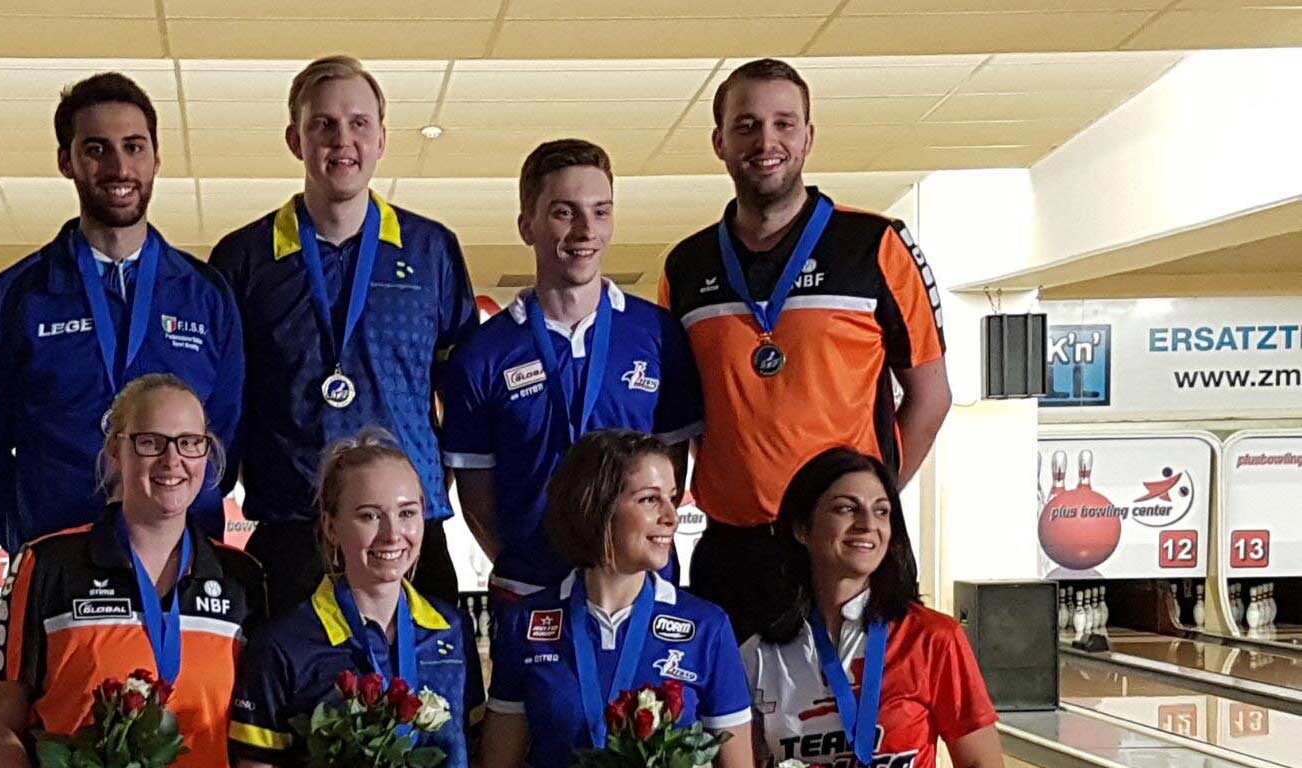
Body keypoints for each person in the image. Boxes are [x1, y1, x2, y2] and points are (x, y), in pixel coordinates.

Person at [656, 58, 951, 639]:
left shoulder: (874, 245)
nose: (766, 141)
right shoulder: (687, 265)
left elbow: (930, 396)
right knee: (730, 727)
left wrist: (870, 501)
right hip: (733, 545)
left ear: (809, 137)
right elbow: (679, 419)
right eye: (746, 125)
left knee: (865, 722)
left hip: (845, 548)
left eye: (784, 124)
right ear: (719, 141)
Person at [208, 56, 477, 613]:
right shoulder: (245, 257)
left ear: (381, 137)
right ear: (294, 139)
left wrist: (431, 484)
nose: (342, 140)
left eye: (358, 123)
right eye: (323, 124)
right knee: (290, 698)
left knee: (429, 698)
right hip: (292, 526)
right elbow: (224, 405)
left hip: (407, 531)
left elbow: (463, 391)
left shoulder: (431, 251)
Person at [0, 373, 265, 768]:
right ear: (116, 451)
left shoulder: (242, 580)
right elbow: (0, 726)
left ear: (208, 454)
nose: (172, 461)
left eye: (190, 443)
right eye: (150, 442)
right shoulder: (46, 566)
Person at [0, 72, 243, 555]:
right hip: (59, 557)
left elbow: (225, 443)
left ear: (156, 158)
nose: (119, 167)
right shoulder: (14, 299)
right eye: (96, 149)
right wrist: (34, 538)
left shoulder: (206, 296)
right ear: (67, 161)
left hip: (182, 564)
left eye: (134, 147)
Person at [474, 430, 756, 768]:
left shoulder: (706, 626)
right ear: (597, 505)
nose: (671, 516)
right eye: (650, 500)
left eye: (671, 498)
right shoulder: (526, 622)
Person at [441, 139, 702, 603]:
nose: (586, 230)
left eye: (600, 211)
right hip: (530, 591)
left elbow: (671, 470)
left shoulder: (657, 335)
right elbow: (478, 501)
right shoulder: (482, 354)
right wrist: (528, 564)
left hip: (643, 590)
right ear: (527, 225)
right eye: (565, 213)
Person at [740, 447, 1005, 768]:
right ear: (802, 528)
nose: (868, 525)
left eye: (881, 512)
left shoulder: (933, 639)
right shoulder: (759, 652)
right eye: (846, 508)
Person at [229, 430, 484, 768]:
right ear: (330, 525)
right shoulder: (285, 644)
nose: (393, 534)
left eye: (408, 513)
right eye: (369, 515)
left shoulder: (452, 630)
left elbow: (476, 765)